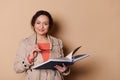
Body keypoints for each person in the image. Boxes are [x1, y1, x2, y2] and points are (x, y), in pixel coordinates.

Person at [14, 10, 70, 80]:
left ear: (49, 26)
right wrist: (29, 59)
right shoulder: (25, 43)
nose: (41, 26)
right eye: (38, 23)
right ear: (33, 24)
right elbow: (17, 68)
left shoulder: (58, 42)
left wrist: (65, 70)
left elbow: (62, 65)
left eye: (45, 24)